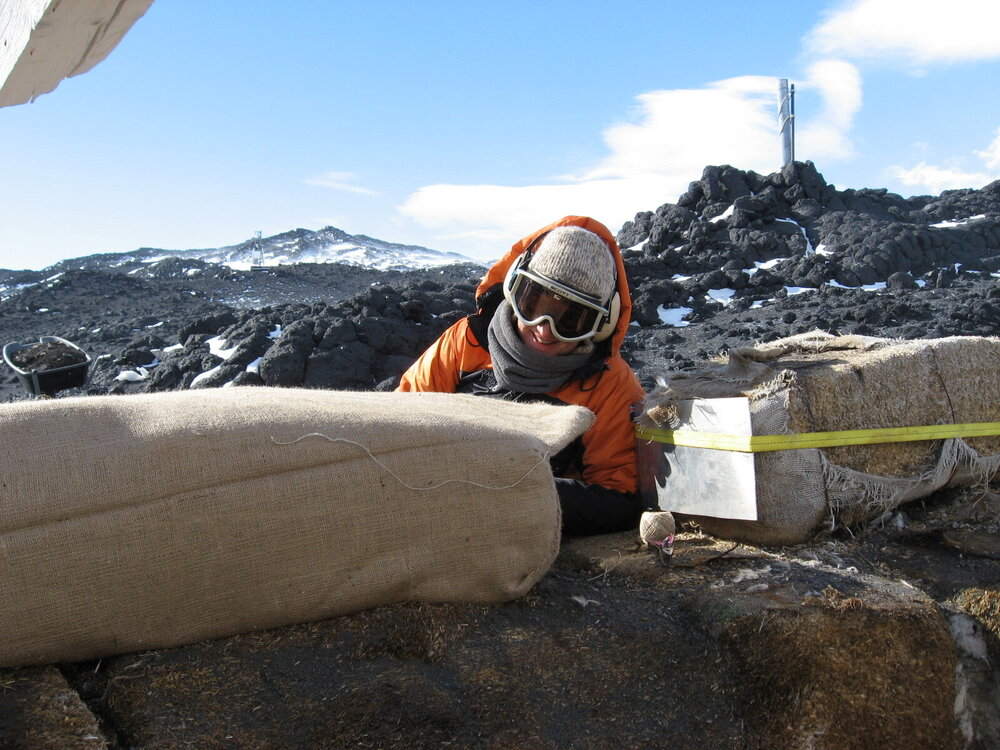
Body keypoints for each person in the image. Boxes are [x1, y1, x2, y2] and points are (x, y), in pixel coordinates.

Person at [397, 216, 646, 535]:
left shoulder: (611, 384)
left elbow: (619, 497)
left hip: (520, 531)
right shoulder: (466, 340)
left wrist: (509, 494)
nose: (545, 329)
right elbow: (400, 423)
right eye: (534, 303)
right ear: (514, 286)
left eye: (571, 320)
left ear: (602, 324)